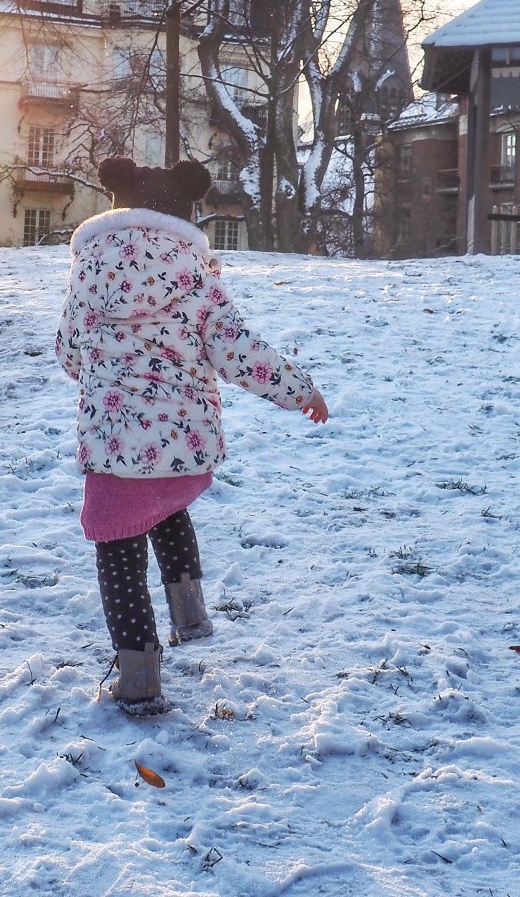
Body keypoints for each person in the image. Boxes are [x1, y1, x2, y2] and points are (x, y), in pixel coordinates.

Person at [56, 156, 329, 715]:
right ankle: (191, 614)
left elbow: (67, 352)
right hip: (183, 439)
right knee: (165, 506)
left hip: (113, 444)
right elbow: (238, 350)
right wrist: (299, 390)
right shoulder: (196, 277)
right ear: (186, 211)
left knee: (119, 547)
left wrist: (102, 371)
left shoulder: (88, 273)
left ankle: (138, 677)